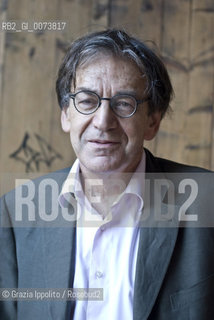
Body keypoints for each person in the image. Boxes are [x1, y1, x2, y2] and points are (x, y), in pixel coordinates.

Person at [0, 29, 214, 320]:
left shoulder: (207, 201)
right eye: (87, 101)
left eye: (124, 104)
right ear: (66, 114)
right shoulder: (15, 213)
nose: (103, 122)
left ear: (153, 121)